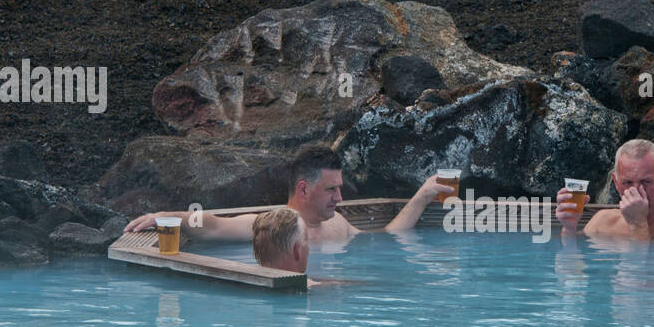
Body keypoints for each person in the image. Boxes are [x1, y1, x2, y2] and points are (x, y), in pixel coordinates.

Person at [124, 144, 454, 244]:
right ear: (303, 189)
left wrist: (422, 195)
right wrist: (164, 217)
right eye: (331, 190)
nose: (339, 198)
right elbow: (212, 225)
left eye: (339, 188)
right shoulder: (278, 224)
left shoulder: (337, 223)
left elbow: (384, 238)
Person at [554, 139, 654, 244]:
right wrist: (569, 228)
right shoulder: (603, 220)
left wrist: (637, 224)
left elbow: (642, 275)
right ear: (616, 183)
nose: (636, 191)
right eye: (627, 182)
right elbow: (571, 256)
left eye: (645, 182)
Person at [251, 207, 308, 273]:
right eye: (306, 241)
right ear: (297, 251)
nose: (308, 248)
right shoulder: (313, 283)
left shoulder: (247, 280)